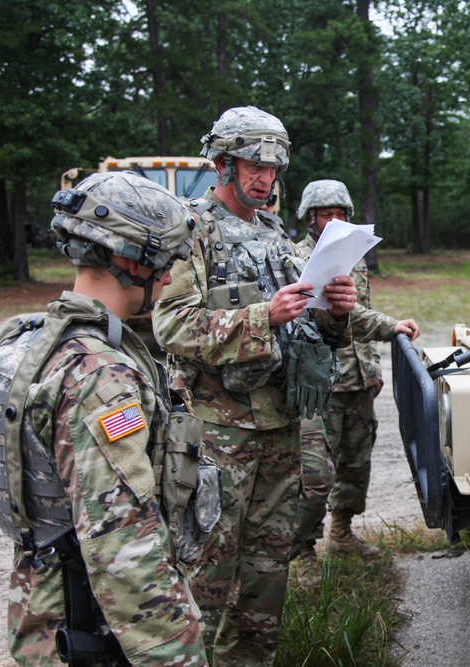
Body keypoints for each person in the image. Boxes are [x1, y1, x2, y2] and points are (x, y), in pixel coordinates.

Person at [0, 171, 208, 666]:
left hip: (40, 609)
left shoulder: (18, 344)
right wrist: (178, 654)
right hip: (95, 627)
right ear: (124, 257)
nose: (167, 275)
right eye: (161, 259)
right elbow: (123, 550)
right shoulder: (99, 377)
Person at [152, 106, 357, 666]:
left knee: (267, 573)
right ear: (223, 162)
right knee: (208, 571)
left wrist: (334, 311)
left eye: (274, 166)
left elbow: (308, 326)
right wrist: (264, 316)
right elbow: (170, 325)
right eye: (253, 164)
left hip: (281, 424)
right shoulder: (192, 229)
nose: (265, 177)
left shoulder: (273, 233)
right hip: (219, 432)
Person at [291, 179, 420, 568]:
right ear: (310, 219)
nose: (335, 221)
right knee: (315, 471)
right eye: (326, 214)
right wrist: (390, 325)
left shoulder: (355, 259)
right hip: (321, 383)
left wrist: (373, 368)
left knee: (355, 463)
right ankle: (302, 550)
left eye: (341, 214)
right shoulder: (295, 258)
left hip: (358, 381)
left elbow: (357, 318)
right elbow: (343, 316)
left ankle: (341, 532)